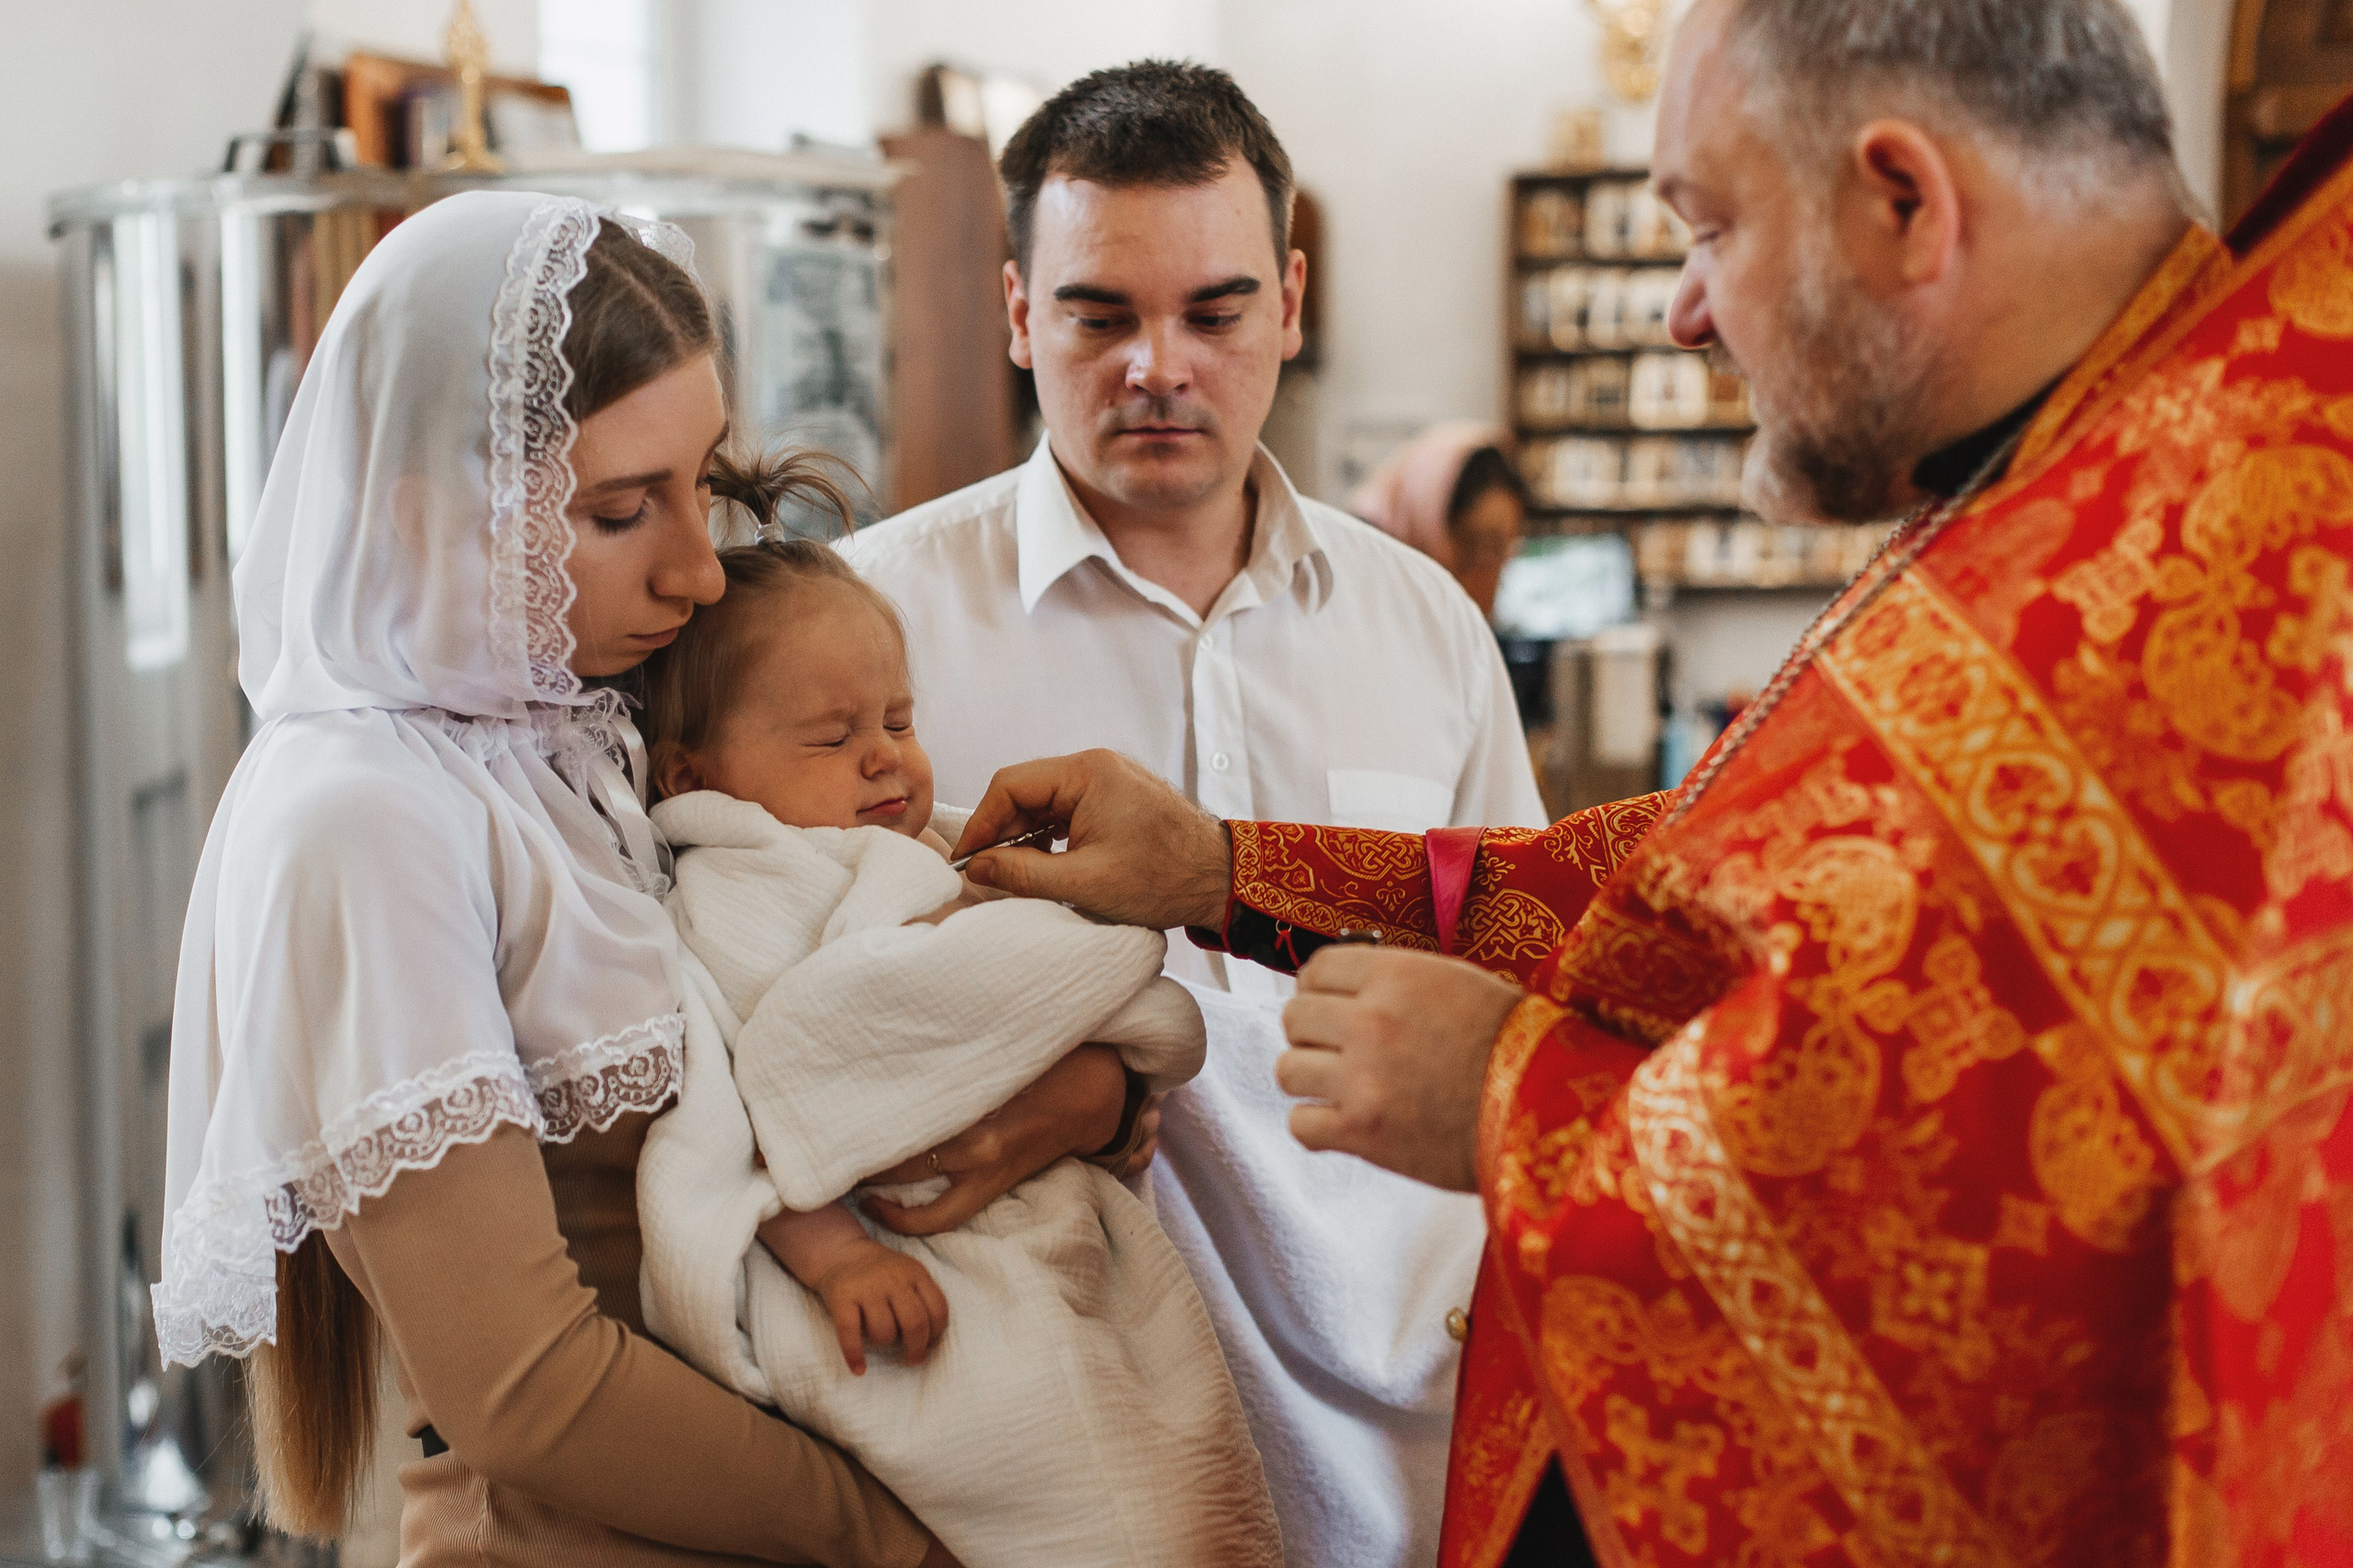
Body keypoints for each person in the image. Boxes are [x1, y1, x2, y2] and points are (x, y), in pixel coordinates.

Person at [942, 4, 2353, 1564]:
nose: (1684, 312)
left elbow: (2027, 1225)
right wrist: (1227, 868)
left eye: (1712, 226)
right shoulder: (2111, 473)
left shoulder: (2227, 570)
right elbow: (1709, 885)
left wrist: (1513, 1100)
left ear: (1904, 202)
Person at [151, 191, 1131, 1567]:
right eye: (621, 510)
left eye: (699, 483)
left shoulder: (581, 734)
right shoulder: (364, 817)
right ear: (438, 514)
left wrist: (1094, 1076)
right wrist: (909, 1542)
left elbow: (851, 951)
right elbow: (527, 1390)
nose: (699, 572)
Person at [840, 62, 1547, 1568]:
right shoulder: (869, 629)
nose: (1158, 366)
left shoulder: (1426, 627)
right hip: (1038, 1443)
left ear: (1289, 302)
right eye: (1100, 316)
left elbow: (1525, 970)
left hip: (1408, 1432)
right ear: (1018, 312)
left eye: (1215, 313)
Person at [630, 536, 1279, 1568]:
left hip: (1045, 1221)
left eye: (898, 720)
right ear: (691, 775)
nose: (884, 756)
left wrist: (1070, 989)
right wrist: (834, 1254)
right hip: (886, 1257)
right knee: (1055, 1467)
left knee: (1163, 1462)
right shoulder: (725, 895)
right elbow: (729, 1115)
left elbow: (1081, 989)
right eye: (833, 736)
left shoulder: (941, 854)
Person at [1349, 423, 1529, 619]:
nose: (1489, 576)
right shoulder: (1361, 582)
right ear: (1430, 525)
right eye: (1474, 546)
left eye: (1501, 549)